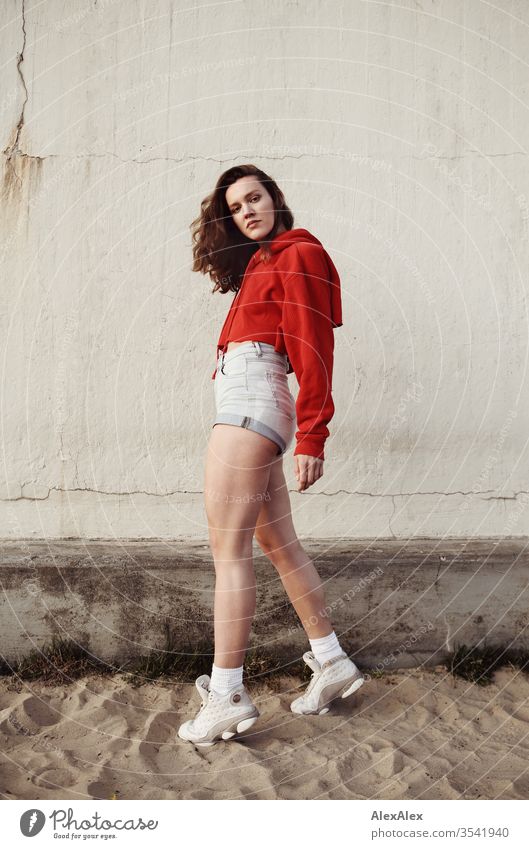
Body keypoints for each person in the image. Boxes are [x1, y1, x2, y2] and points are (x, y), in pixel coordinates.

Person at [178, 164, 364, 747]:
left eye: (254, 198)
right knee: (275, 543)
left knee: (227, 553)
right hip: (253, 402)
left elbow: (313, 343)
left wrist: (314, 435)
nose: (247, 211)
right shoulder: (266, 260)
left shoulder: (297, 251)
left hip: (251, 404)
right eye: (235, 207)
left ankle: (227, 692)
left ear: (275, 199)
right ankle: (330, 659)